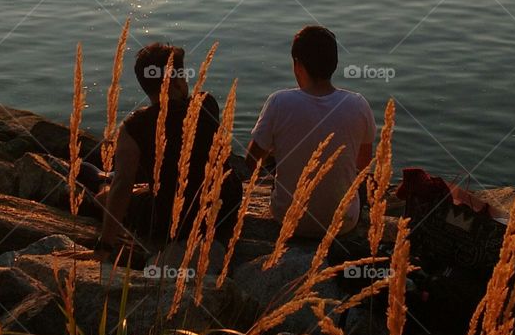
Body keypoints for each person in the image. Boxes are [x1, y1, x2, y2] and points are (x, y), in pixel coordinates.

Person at [94, 42, 241, 269]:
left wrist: (104, 247)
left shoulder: (133, 127)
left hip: (171, 221)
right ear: (175, 79)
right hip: (222, 210)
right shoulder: (206, 103)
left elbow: (123, 185)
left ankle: (92, 182)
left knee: (104, 195)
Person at [246, 25, 375, 239]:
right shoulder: (359, 104)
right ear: (334, 64)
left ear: (298, 65)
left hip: (288, 218)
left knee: (273, 161)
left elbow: (250, 162)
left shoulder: (279, 101)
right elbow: (361, 168)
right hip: (343, 222)